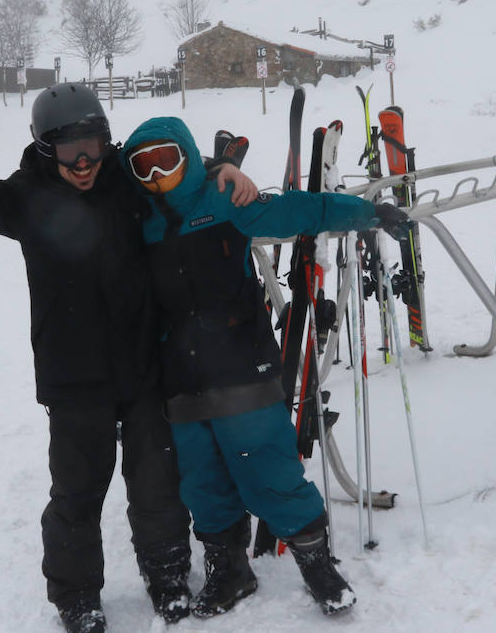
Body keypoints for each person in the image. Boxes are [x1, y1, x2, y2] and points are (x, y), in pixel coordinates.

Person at [0, 85, 258, 633]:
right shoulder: (25, 198)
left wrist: (221, 171)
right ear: (46, 150)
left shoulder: (128, 186)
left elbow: (173, 175)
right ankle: (77, 596)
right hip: (73, 380)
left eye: (92, 147)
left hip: (143, 369)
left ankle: (166, 577)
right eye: (70, 153)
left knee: (157, 483)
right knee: (77, 492)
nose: (84, 163)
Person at [121, 116, 414, 618]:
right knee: (202, 483)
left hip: (240, 366)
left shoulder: (224, 201)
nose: (156, 176)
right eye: (142, 167)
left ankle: (317, 565)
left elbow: (302, 211)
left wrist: (366, 213)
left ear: (188, 156)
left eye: (165, 160)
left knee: (270, 471)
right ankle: (230, 569)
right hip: (181, 378)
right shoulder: (138, 220)